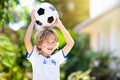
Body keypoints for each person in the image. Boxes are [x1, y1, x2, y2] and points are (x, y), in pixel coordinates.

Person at [24, 9, 74, 80]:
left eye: (53, 42)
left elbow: (70, 43)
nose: (50, 45)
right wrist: (32, 21)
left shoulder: (57, 58)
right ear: (39, 45)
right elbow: (27, 41)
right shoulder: (35, 58)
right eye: (47, 42)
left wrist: (60, 25)